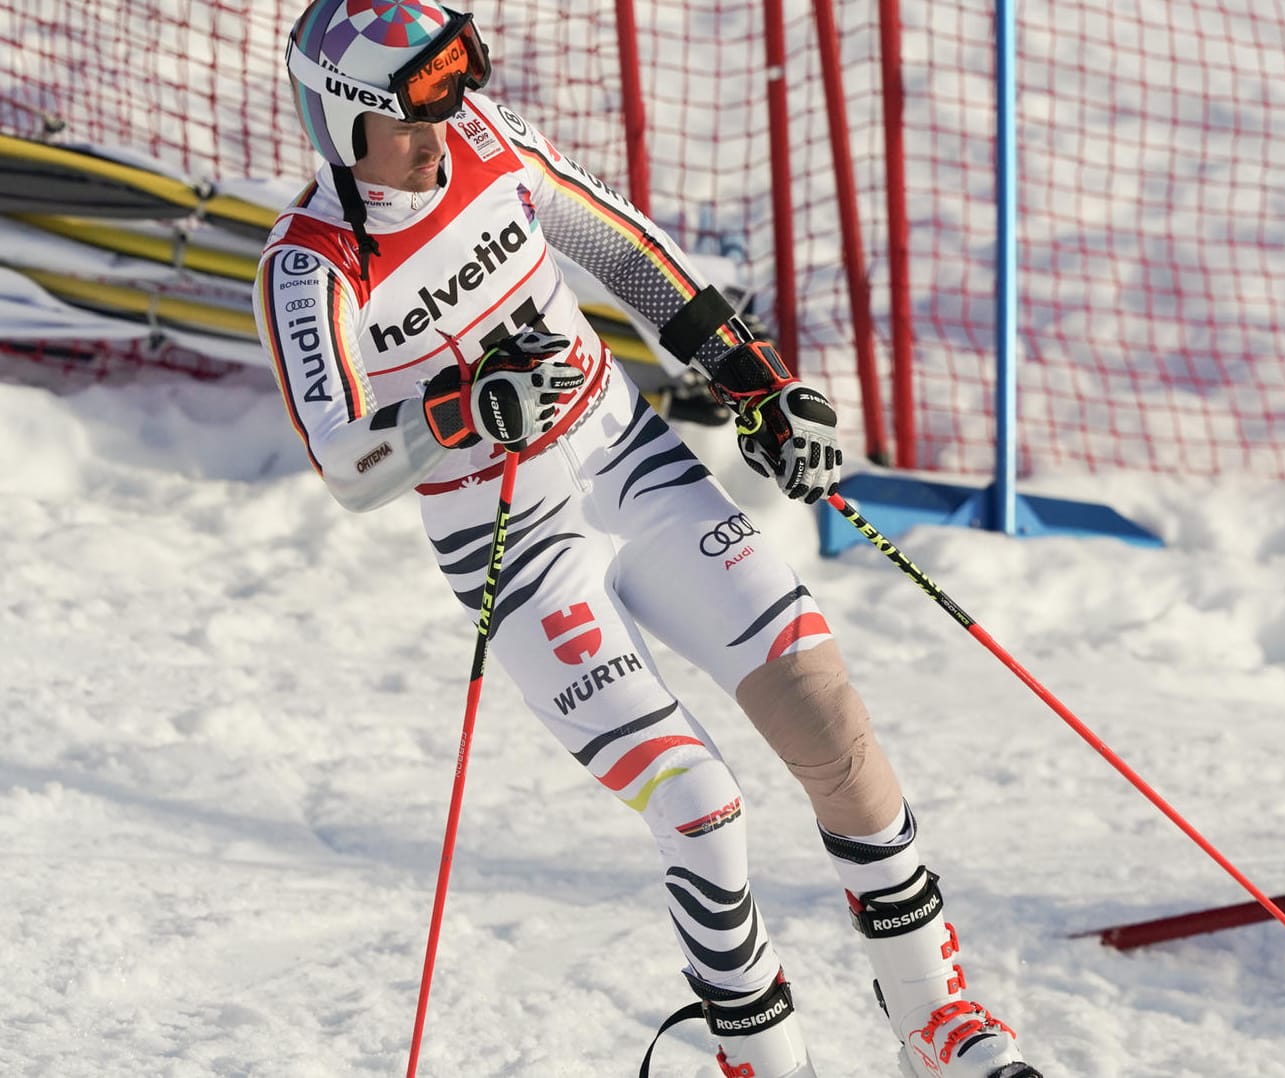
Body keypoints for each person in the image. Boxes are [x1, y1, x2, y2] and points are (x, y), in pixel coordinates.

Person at [254, 3, 1042, 1076]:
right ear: (343, 124)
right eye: (410, 120)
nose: (441, 136)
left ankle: (934, 1016)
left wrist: (756, 383)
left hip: (633, 468)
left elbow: (627, 254)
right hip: (516, 548)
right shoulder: (310, 269)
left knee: (828, 719)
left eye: (448, 104)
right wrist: (462, 412)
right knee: (697, 801)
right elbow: (345, 463)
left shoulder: (490, 145)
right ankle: (761, 1053)